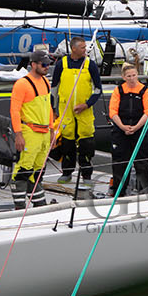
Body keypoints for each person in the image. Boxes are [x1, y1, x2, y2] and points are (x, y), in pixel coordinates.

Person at [51, 37, 103, 188]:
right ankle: (67, 172)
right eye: (82, 47)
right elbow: (54, 89)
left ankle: (86, 174)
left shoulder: (90, 65)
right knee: (67, 142)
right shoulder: (62, 64)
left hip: (84, 111)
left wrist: (87, 104)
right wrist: (53, 110)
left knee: (86, 142)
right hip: (66, 111)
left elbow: (98, 89)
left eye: (85, 47)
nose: (85, 50)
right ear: (74, 49)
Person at [8, 50, 54, 209]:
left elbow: (48, 107)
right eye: (44, 64)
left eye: (48, 64)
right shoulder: (22, 84)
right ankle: (20, 207)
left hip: (45, 133)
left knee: (38, 171)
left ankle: (39, 204)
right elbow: (14, 110)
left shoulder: (46, 82)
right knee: (23, 170)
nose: (47, 67)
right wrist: (18, 134)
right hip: (29, 131)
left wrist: (52, 131)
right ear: (33, 65)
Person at [107, 63, 148, 195]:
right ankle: (119, 192)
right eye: (129, 76)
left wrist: (136, 127)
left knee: (142, 163)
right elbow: (113, 111)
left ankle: (143, 191)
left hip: (140, 129)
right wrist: (122, 126)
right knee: (119, 162)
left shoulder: (145, 91)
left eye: (134, 75)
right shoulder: (118, 90)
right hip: (121, 130)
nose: (132, 78)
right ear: (124, 77)